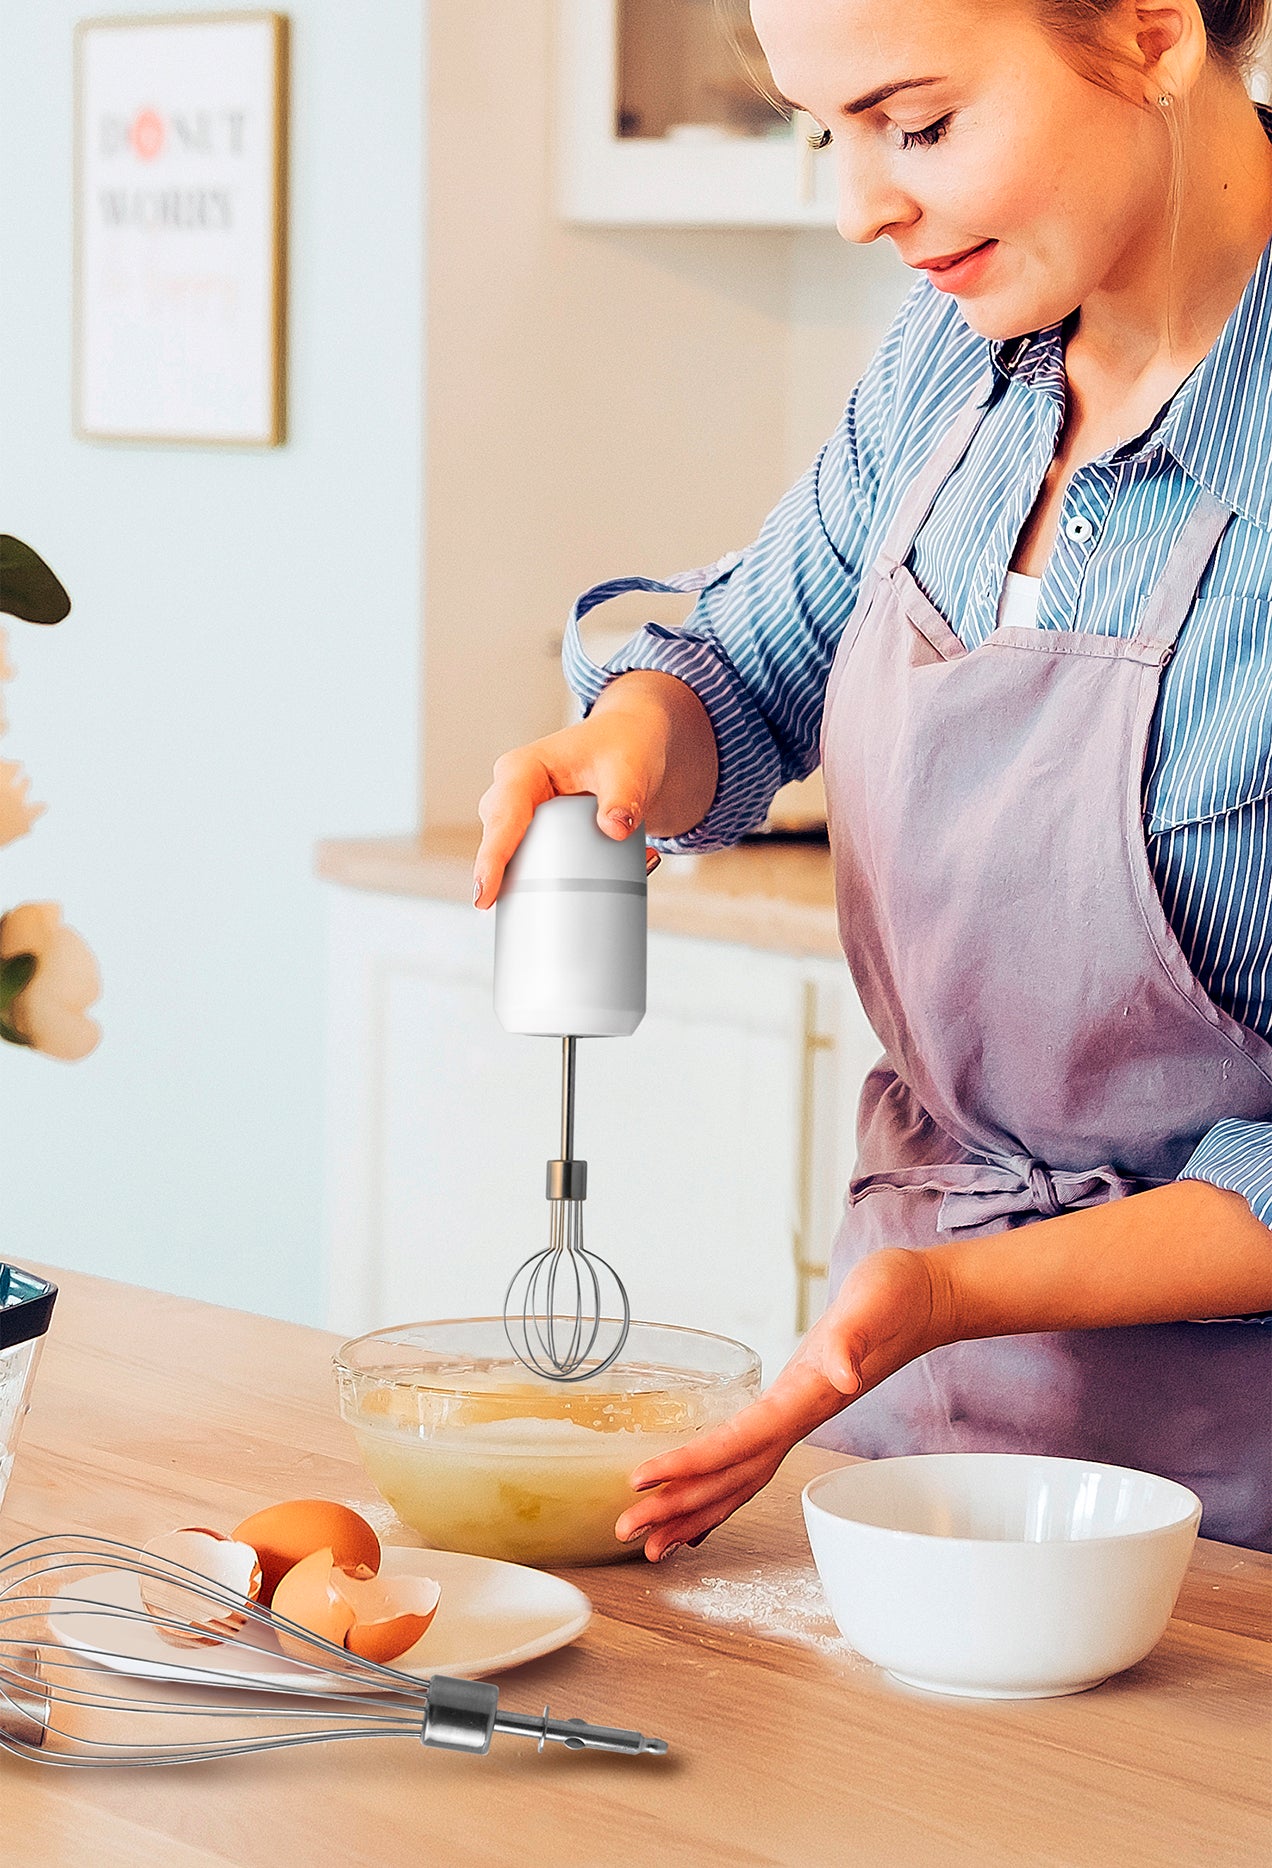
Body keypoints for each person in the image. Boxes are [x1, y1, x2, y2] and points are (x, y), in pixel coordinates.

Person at [473, 0, 1272, 1557]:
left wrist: (957, 1288)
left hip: (1237, 1530)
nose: (859, 208)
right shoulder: (952, 366)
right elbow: (751, 658)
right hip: (910, 1447)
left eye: (918, 126)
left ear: (1156, 32)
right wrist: (642, 725)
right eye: (817, 130)